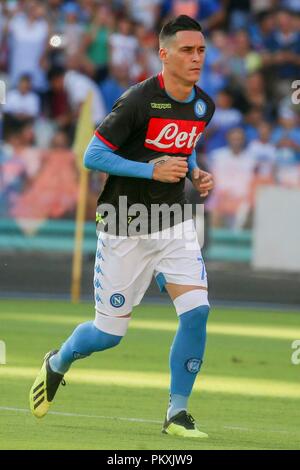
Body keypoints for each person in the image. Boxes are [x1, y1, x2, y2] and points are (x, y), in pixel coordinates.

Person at [29, 15, 215, 439]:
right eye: (187, 50)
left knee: (197, 313)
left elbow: (181, 148)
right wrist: (152, 172)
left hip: (173, 223)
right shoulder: (137, 100)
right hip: (123, 223)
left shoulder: (204, 104)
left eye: (201, 49)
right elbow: (92, 156)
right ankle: (58, 362)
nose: (197, 57)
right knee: (107, 335)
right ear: (163, 54)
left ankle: (177, 412)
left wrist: (194, 173)